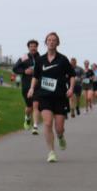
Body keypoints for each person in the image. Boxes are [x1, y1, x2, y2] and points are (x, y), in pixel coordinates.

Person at [28, 32, 75, 163]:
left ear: (57, 43)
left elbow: (72, 75)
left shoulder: (63, 59)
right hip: (45, 96)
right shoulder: (40, 60)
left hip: (60, 96)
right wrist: (32, 88)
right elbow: (35, 76)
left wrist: (71, 88)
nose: (51, 42)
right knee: (48, 123)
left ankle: (60, 137)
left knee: (59, 128)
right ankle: (51, 152)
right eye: (49, 40)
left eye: (54, 40)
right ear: (46, 42)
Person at [12, 39, 41, 134]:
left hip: (37, 86)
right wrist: (24, 71)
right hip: (26, 86)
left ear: (37, 47)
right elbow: (15, 68)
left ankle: (35, 126)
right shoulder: (24, 57)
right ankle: (27, 118)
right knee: (29, 107)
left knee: (36, 105)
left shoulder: (41, 58)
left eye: (34, 46)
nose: (33, 48)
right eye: (31, 46)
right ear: (28, 48)